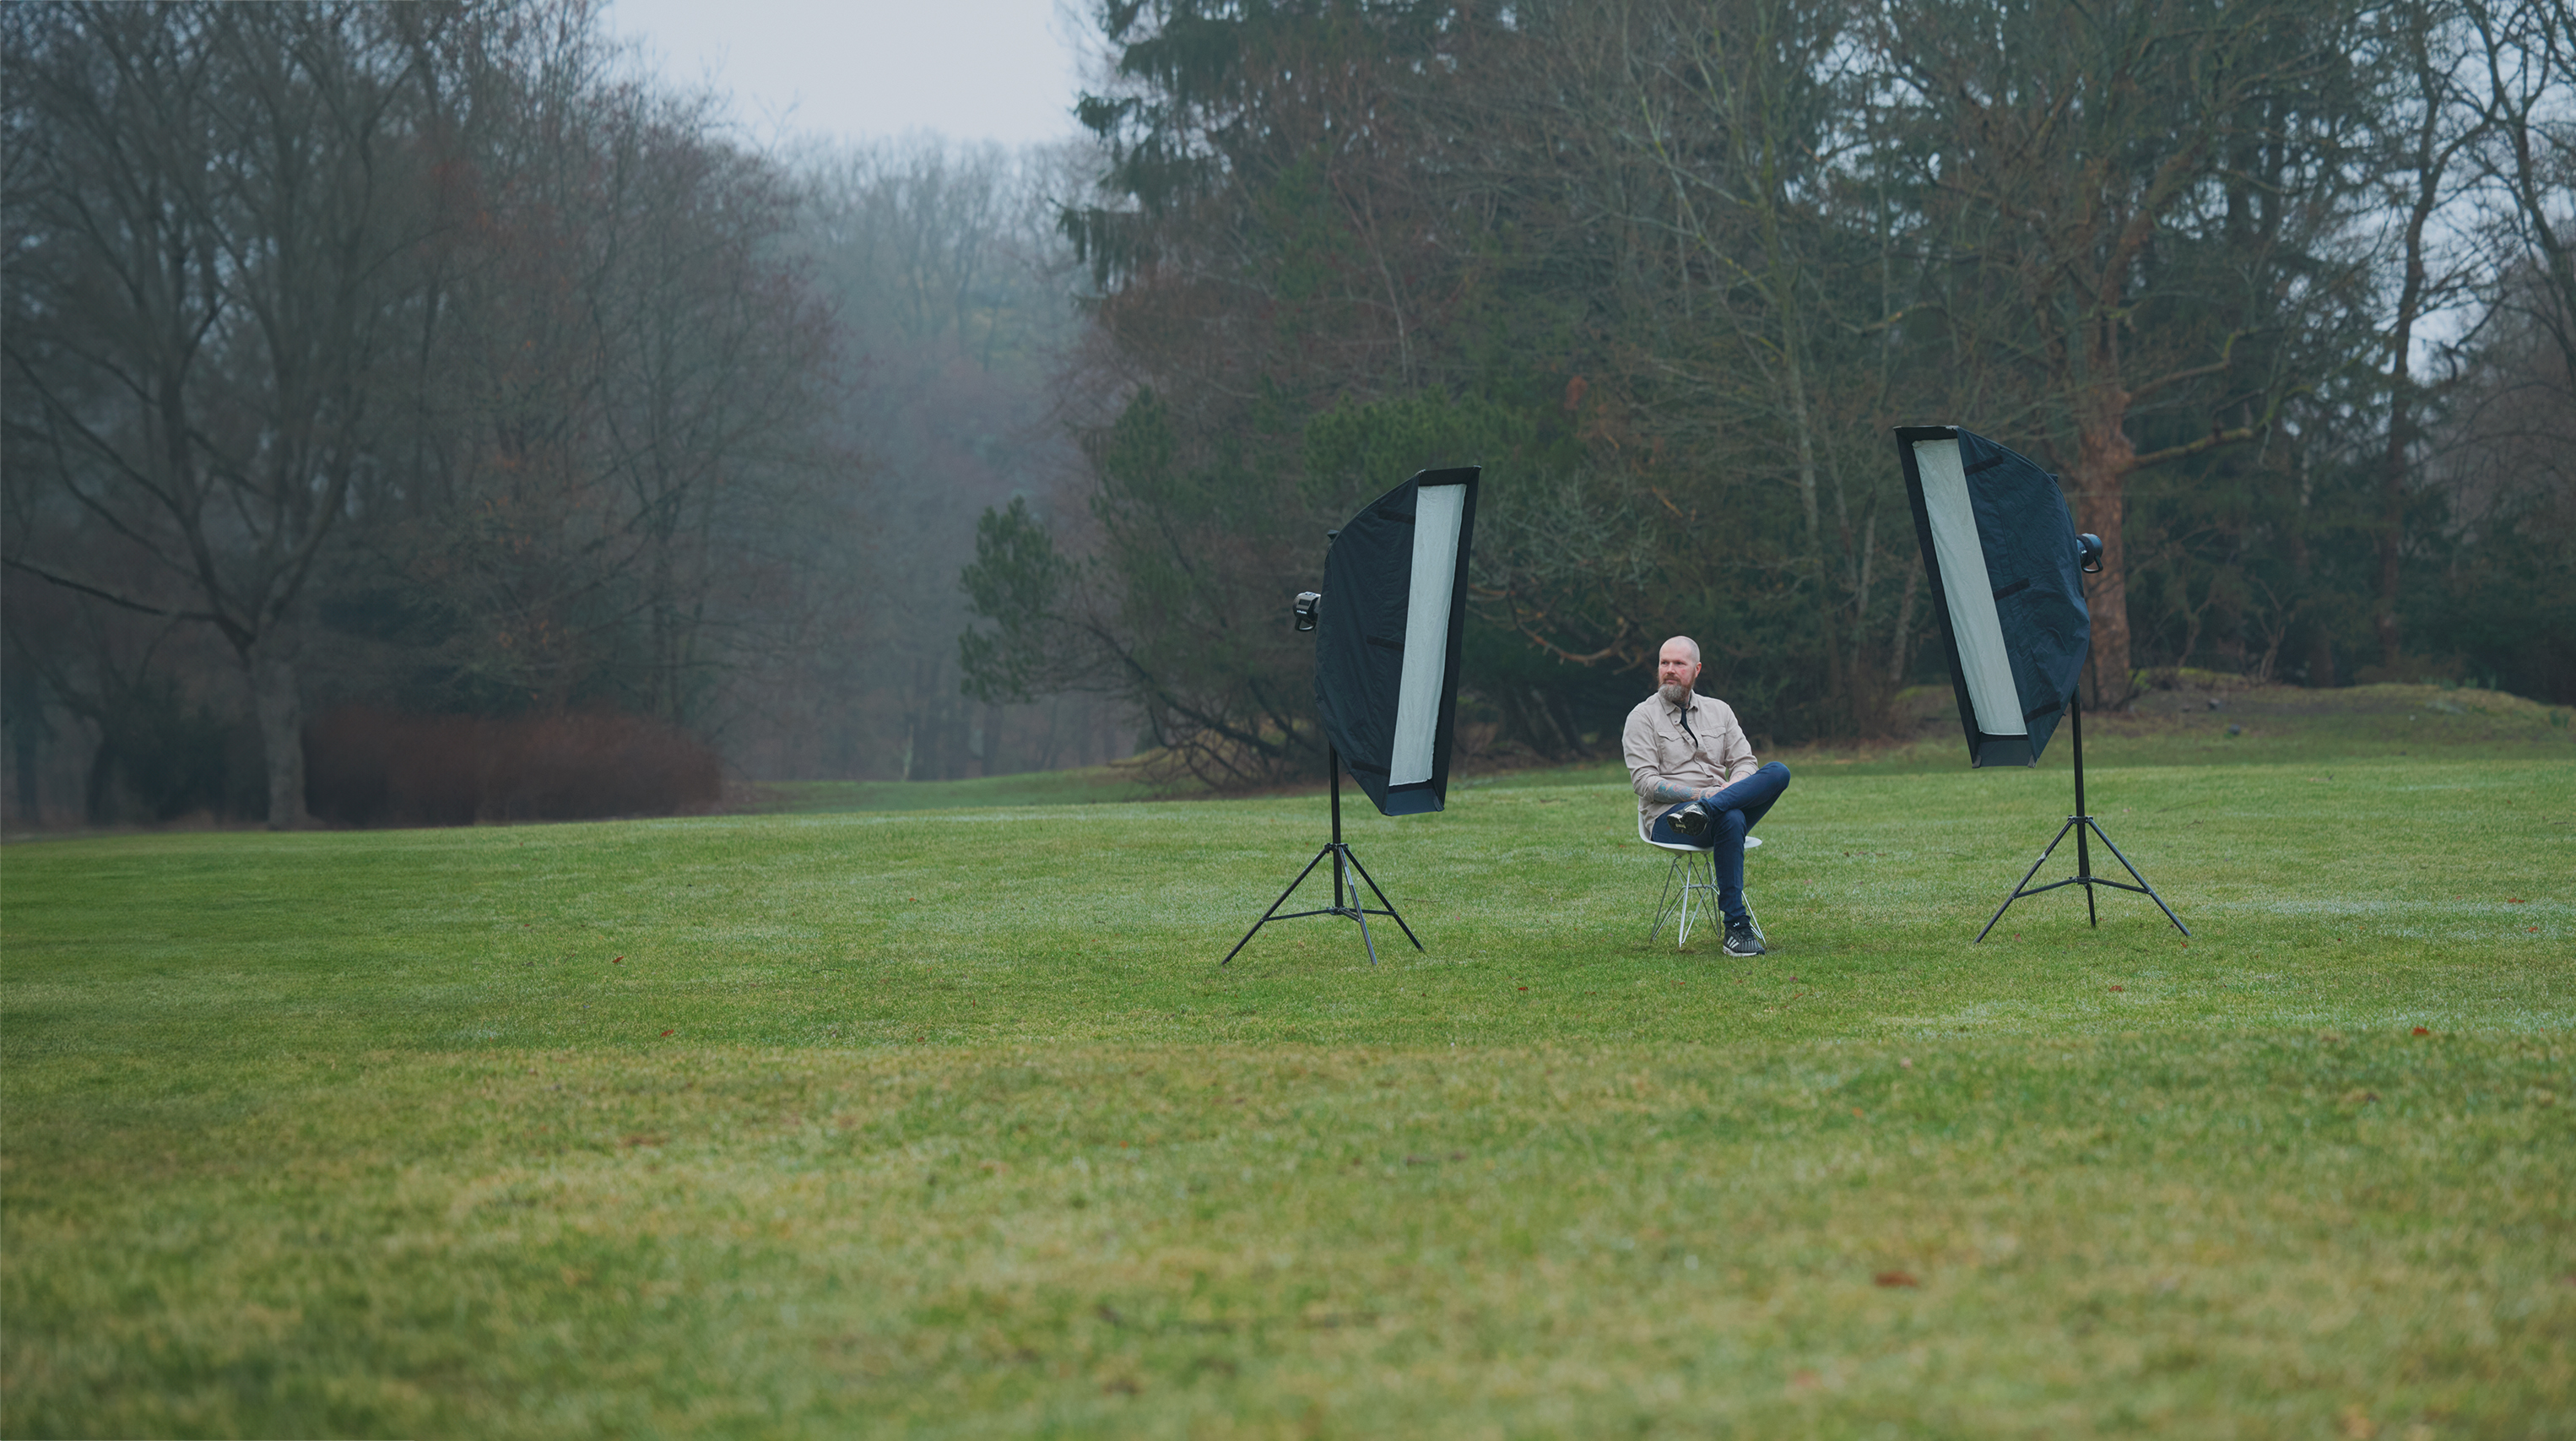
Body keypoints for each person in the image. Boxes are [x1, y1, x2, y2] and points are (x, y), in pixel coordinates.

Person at [1622, 636, 1792, 956]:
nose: (1669, 670)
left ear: (1696, 669)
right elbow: (1644, 782)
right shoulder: (1641, 717)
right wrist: (1702, 794)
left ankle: (1710, 809)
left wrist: (1730, 788)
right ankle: (1736, 928)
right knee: (1732, 817)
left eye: (1678, 664)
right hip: (1670, 818)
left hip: (1718, 803)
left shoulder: (1720, 711)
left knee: (1778, 771)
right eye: (1664, 663)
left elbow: (1744, 763)